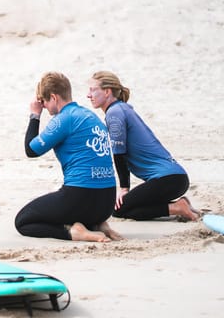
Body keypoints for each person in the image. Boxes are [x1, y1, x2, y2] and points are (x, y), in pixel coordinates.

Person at [17, 72, 121, 242]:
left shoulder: (64, 118)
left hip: (82, 197)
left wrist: (35, 115)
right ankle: (97, 225)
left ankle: (73, 233)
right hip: (106, 203)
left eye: (44, 102)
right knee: (64, 205)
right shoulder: (90, 115)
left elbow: (31, 150)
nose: (43, 106)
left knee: (23, 220)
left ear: (53, 97)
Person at [87, 71, 199, 221]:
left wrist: (124, 189)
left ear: (107, 92)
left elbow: (119, 154)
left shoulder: (114, 113)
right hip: (175, 178)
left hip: (168, 179)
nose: (89, 95)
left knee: (120, 210)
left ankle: (178, 208)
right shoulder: (122, 108)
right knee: (130, 207)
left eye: (93, 90)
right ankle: (179, 204)